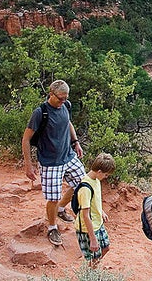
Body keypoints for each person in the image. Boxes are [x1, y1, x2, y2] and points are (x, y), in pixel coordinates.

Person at [21, 79, 84, 246]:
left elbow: (68, 122)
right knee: (53, 198)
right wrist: (29, 164)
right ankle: (52, 227)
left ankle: (62, 209)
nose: (63, 101)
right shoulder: (40, 112)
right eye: (60, 98)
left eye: (65, 98)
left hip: (68, 156)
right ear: (51, 94)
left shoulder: (65, 106)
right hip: (50, 162)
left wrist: (75, 142)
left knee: (82, 184)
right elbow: (26, 139)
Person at [74, 152, 115, 267]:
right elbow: (85, 214)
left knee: (106, 248)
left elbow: (94, 201)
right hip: (88, 229)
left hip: (98, 223)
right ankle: (90, 276)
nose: (106, 177)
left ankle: (91, 270)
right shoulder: (85, 188)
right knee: (95, 255)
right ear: (99, 172)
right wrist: (92, 238)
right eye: (106, 175)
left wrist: (101, 211)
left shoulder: (96, 180)